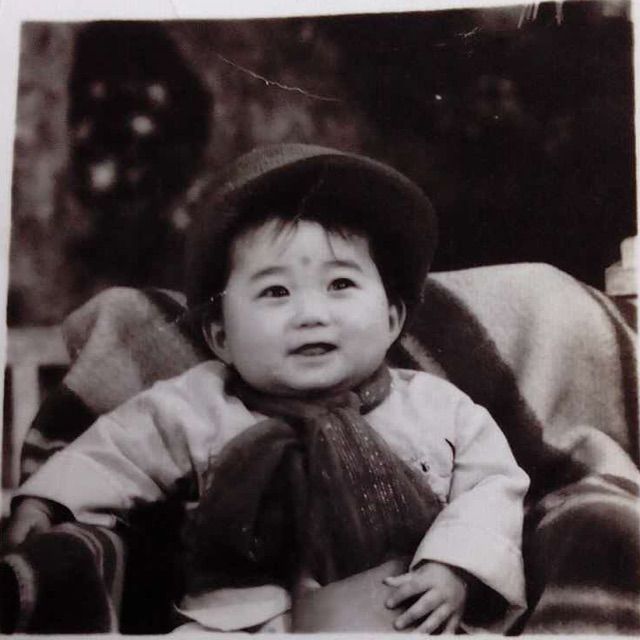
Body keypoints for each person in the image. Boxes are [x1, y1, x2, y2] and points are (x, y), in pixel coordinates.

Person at [5, 144, 529, 633]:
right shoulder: (199, 404)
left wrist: (452, 567)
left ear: (392, 319)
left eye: (340, 284)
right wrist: (48, 503)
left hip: (396, 613)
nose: (311, 314)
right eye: (276, 291)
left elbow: (491, 487)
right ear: (221, 337)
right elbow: (118, 451)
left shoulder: (437, 407)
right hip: (240, 621)